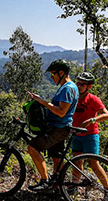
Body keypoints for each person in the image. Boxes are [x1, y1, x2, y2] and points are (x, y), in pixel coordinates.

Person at [26, 59, 79, 191]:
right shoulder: (67, 87)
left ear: (61, 73)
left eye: (53, 74)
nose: (51, 77)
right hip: (59, 127)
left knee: (32, 148)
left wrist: (42, 102)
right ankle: (57, 186)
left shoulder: (67, 89)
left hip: (59, 128)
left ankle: (44, 180)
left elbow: (61, 112)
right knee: (57, 158)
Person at [71, 71, 108, 201]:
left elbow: (107, 115)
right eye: (78, 83)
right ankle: (74, 188)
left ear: (89, 86)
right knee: (76, 162)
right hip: (76, 134)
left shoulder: (93, 99)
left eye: (82, 84)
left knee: (94, 163)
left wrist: (91, 120)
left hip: (90, 135)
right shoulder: (74, 97)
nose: (79, 85)